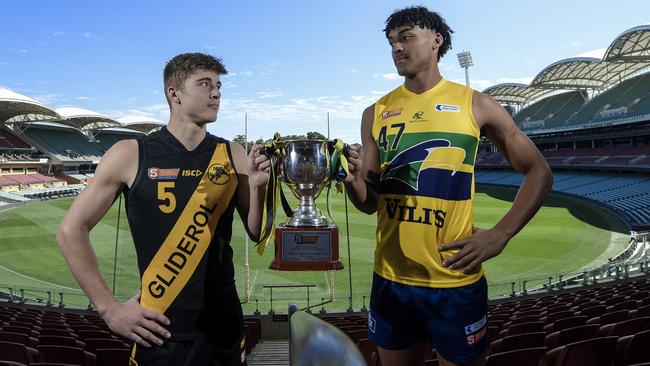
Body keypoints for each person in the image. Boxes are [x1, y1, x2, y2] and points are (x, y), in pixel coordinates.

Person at [343, 6, 553, 366]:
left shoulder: (477, 105)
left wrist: (501, 233)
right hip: (392, 278)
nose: (396, 47)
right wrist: (352, 182)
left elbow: (539, 171)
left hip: (454, 280)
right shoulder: (374, 112)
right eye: (392, 41)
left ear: (436, 40)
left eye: (406, 36)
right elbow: (371, 201)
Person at [57, 52, 269, 366]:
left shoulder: (232, 152)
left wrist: (258, 187)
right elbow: (70, 230)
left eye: (219, 86)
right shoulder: (130, 153)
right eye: (205, 84)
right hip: (158, 332)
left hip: (223, 330)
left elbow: (257, 231)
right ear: (174, 93)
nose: (216, 93)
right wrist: (108, 308)